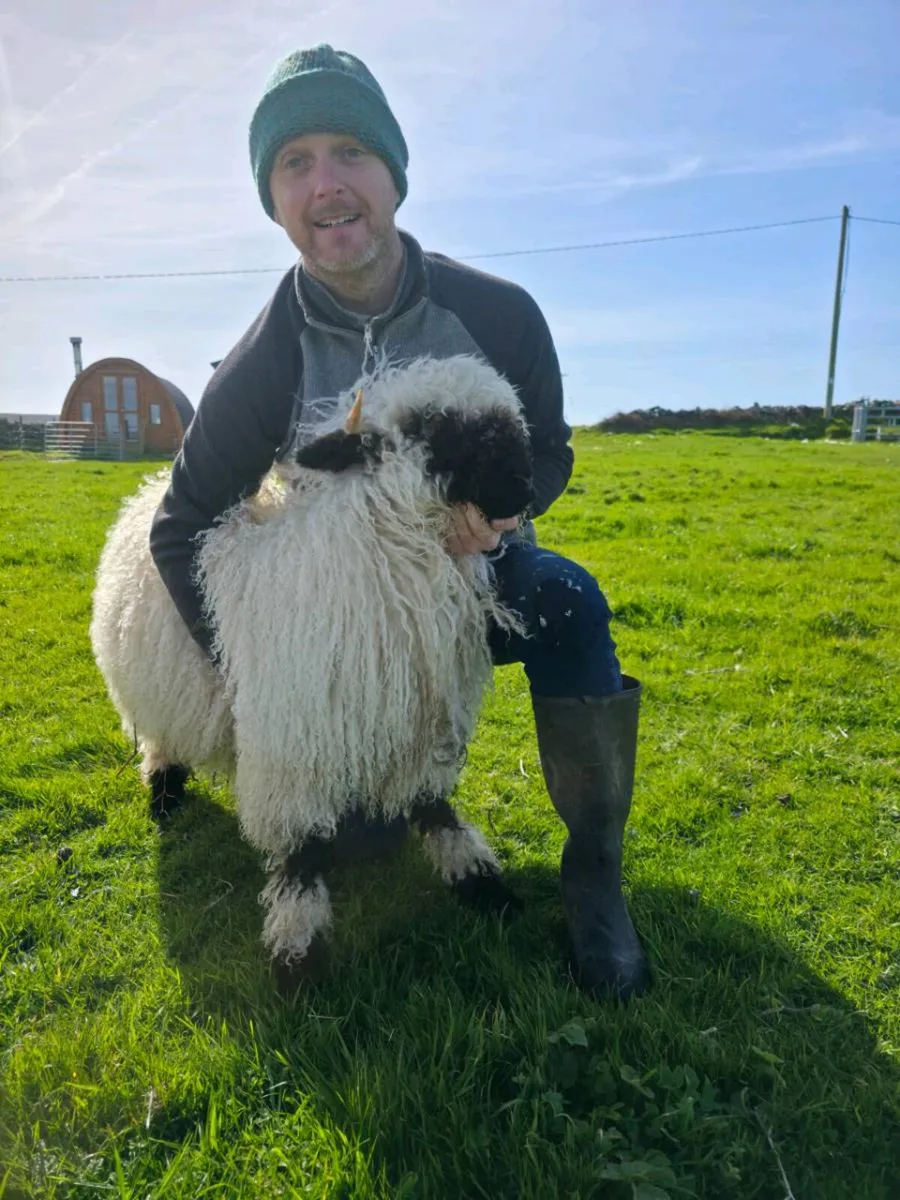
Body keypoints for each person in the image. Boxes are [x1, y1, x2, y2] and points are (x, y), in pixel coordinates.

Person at [149, 44, 649, 1002]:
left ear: (394, 174)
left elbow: (552, 454)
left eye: (349, 153)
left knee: (574, 602)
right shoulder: (259, 364)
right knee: (357, 831)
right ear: (273, 196)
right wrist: (256, 675)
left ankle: (594, 878)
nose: (326, 185)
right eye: (295, 163)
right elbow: (179, 526)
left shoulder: (496, 315)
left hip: (478, 575)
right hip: (338, 604)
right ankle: (368, 819)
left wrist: (500, 518)